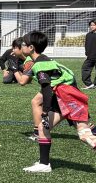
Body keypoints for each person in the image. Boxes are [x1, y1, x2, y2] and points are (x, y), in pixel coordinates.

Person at [20, 30, 96, 173]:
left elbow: (47, 90)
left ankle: (44, 164)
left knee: (85, 135)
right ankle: (44, 164)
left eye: (24, 44)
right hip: (63, 97)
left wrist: (45, 111)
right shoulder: (45, 60)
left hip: (68, 98)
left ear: (31, 48)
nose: (21, 46)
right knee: (43, 128)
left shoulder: (40, 65)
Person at [83, 19, 96, 89]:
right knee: (85, 69)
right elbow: (86, 45)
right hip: (90, 57)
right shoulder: (88, 35)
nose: (92, 26)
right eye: (91, 25)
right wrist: (87, 53)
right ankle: (89, 84)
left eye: (94, 25)